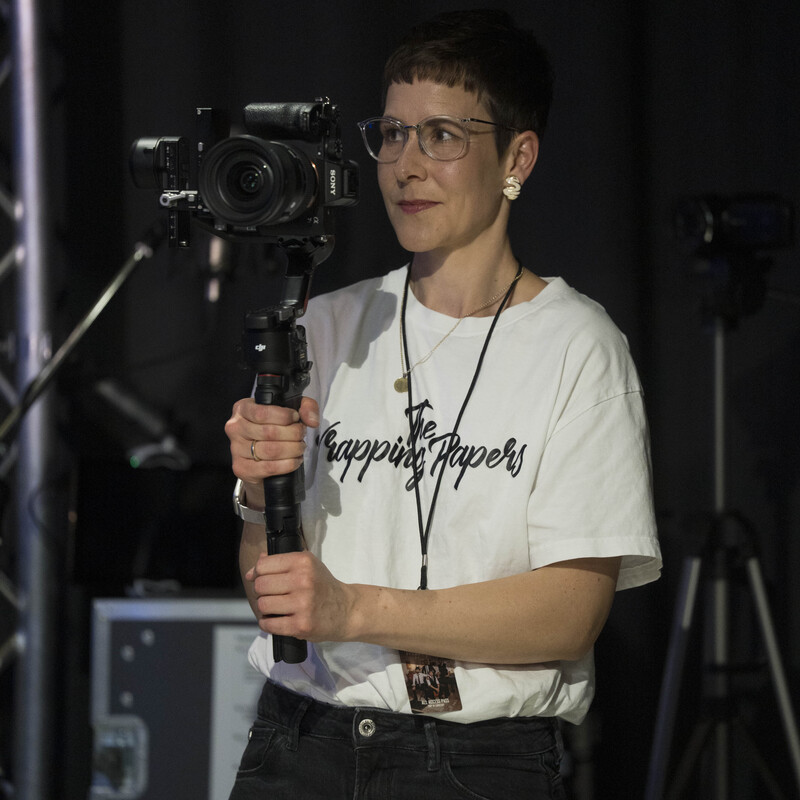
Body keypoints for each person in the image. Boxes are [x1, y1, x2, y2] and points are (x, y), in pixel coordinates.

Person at [225, 9, 661, 799]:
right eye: (393, 134)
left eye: (442, 136)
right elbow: (269, 585)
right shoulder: (323, 326)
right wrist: (260, 497)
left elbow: (570, 612)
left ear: (517, 157)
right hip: (299, 743)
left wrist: (355, 610)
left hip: (476, 762)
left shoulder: (577, 345)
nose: (406, 166)